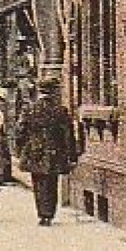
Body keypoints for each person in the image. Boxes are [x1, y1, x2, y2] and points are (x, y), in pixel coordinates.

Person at [16, 84, 78, 226]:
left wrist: (21, 148)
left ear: (40, 92)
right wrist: (72, 156)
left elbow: (20, 130)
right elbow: (68, 135)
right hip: (54, 151)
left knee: (38, 182)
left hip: (34, 150)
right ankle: (49, 214)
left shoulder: (30, 109)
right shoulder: (60, 110)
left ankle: (42, 213)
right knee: (52, 183)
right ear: (53, 92)